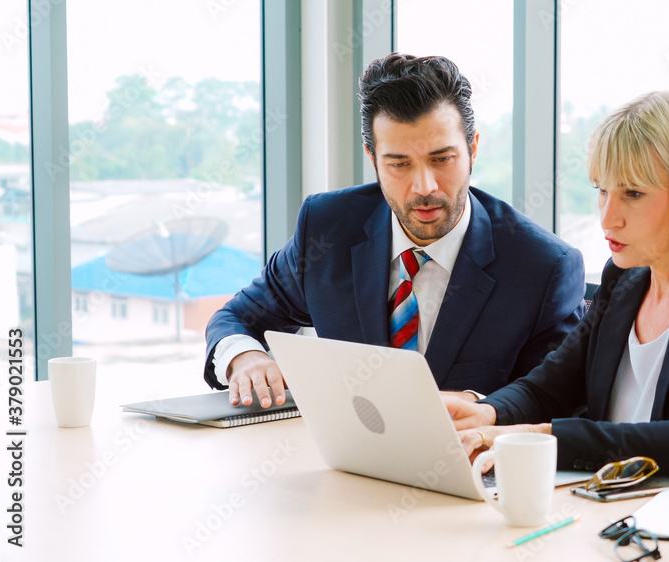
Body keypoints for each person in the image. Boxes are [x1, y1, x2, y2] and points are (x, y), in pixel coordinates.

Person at [444, 91, 669, 483]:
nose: (608, 218)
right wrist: (486, 412)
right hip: (615, 509)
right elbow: (548, 389)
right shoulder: (625, 280)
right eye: (602, 190)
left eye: (632, 193)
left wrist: (541, 437)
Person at [204, 53, 585, 409]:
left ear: (473, 148)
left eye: (442, 159)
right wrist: (244, 355)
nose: (424, 187)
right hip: (344, 463)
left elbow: (555, 398)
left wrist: (479, 407)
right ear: (373, 158)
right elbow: (237, 317)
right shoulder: (328, 227)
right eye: (399, 164)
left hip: (467, 468)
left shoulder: (543, 267)